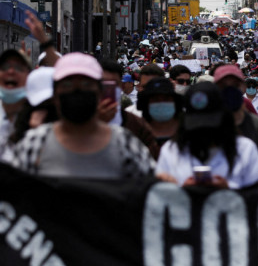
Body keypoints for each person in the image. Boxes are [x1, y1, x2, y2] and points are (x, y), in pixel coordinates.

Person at [11, 53, 155, 178]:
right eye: (67, 85)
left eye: (86, 84)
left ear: (100, 92)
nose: (77, 91)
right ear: (55, 94)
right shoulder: (34, 144)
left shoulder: (126, 145)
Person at [155, 82, 258, 189]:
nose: (204, 130)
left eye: (211, 124)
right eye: (197, 125)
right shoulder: (170, 151)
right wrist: (180, 190)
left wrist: (230, 190)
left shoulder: (245, 150)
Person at [214, 64, 258, 172]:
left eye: (235, 85)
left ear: (243, 88)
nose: (230, 90)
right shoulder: (208, 125)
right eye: (223, 86)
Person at [99, 60, 159, 159]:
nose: (108, 89)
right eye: (104, 83)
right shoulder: (78, 124)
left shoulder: (137, 124)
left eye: (114, 83)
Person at [137, 77, 183, 149]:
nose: (161, 103)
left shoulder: (189, 133)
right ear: (146, 104)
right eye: (155, 99)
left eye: (166, 98)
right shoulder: (136, 135)